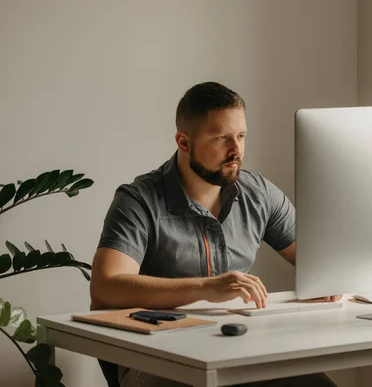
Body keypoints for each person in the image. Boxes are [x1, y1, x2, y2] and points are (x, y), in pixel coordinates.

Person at [90, 81, 341, 387]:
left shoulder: (258, 192)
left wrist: (326, 277)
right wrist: (206, 287)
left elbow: (317, 260)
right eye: (222, 138)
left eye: (241, 136)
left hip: (234, 349)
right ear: (184, 142)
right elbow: (106, 287)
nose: (236, 150)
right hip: (154, 355)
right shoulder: (138, 200)